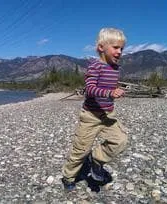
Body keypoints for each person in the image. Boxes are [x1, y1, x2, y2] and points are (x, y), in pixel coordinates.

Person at [61, 27, 128, 191]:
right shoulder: (95, 66)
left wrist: (114, 93)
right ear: (101, 47)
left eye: (122, 48)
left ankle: (96, 160)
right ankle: (68, 177)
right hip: (90, 116)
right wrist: (110, 92)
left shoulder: (116, 68)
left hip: (107, 115)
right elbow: (90, 89)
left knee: (121, 140)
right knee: (80, 151)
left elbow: (108, 87)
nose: (119, 51)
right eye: (115, 47)